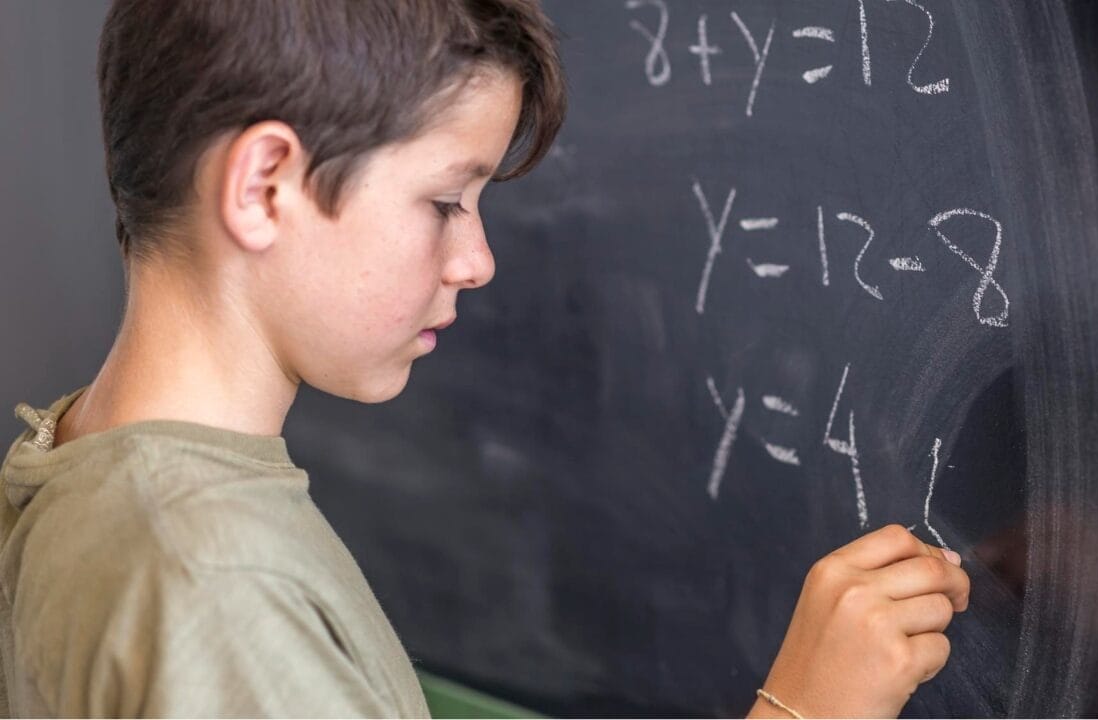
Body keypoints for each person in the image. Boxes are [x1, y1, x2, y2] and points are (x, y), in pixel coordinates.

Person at [0, 0, 970, 716]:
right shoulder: (213, 590)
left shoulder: (86, 468)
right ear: (262, 186)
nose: (476, 259)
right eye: (442, 202)